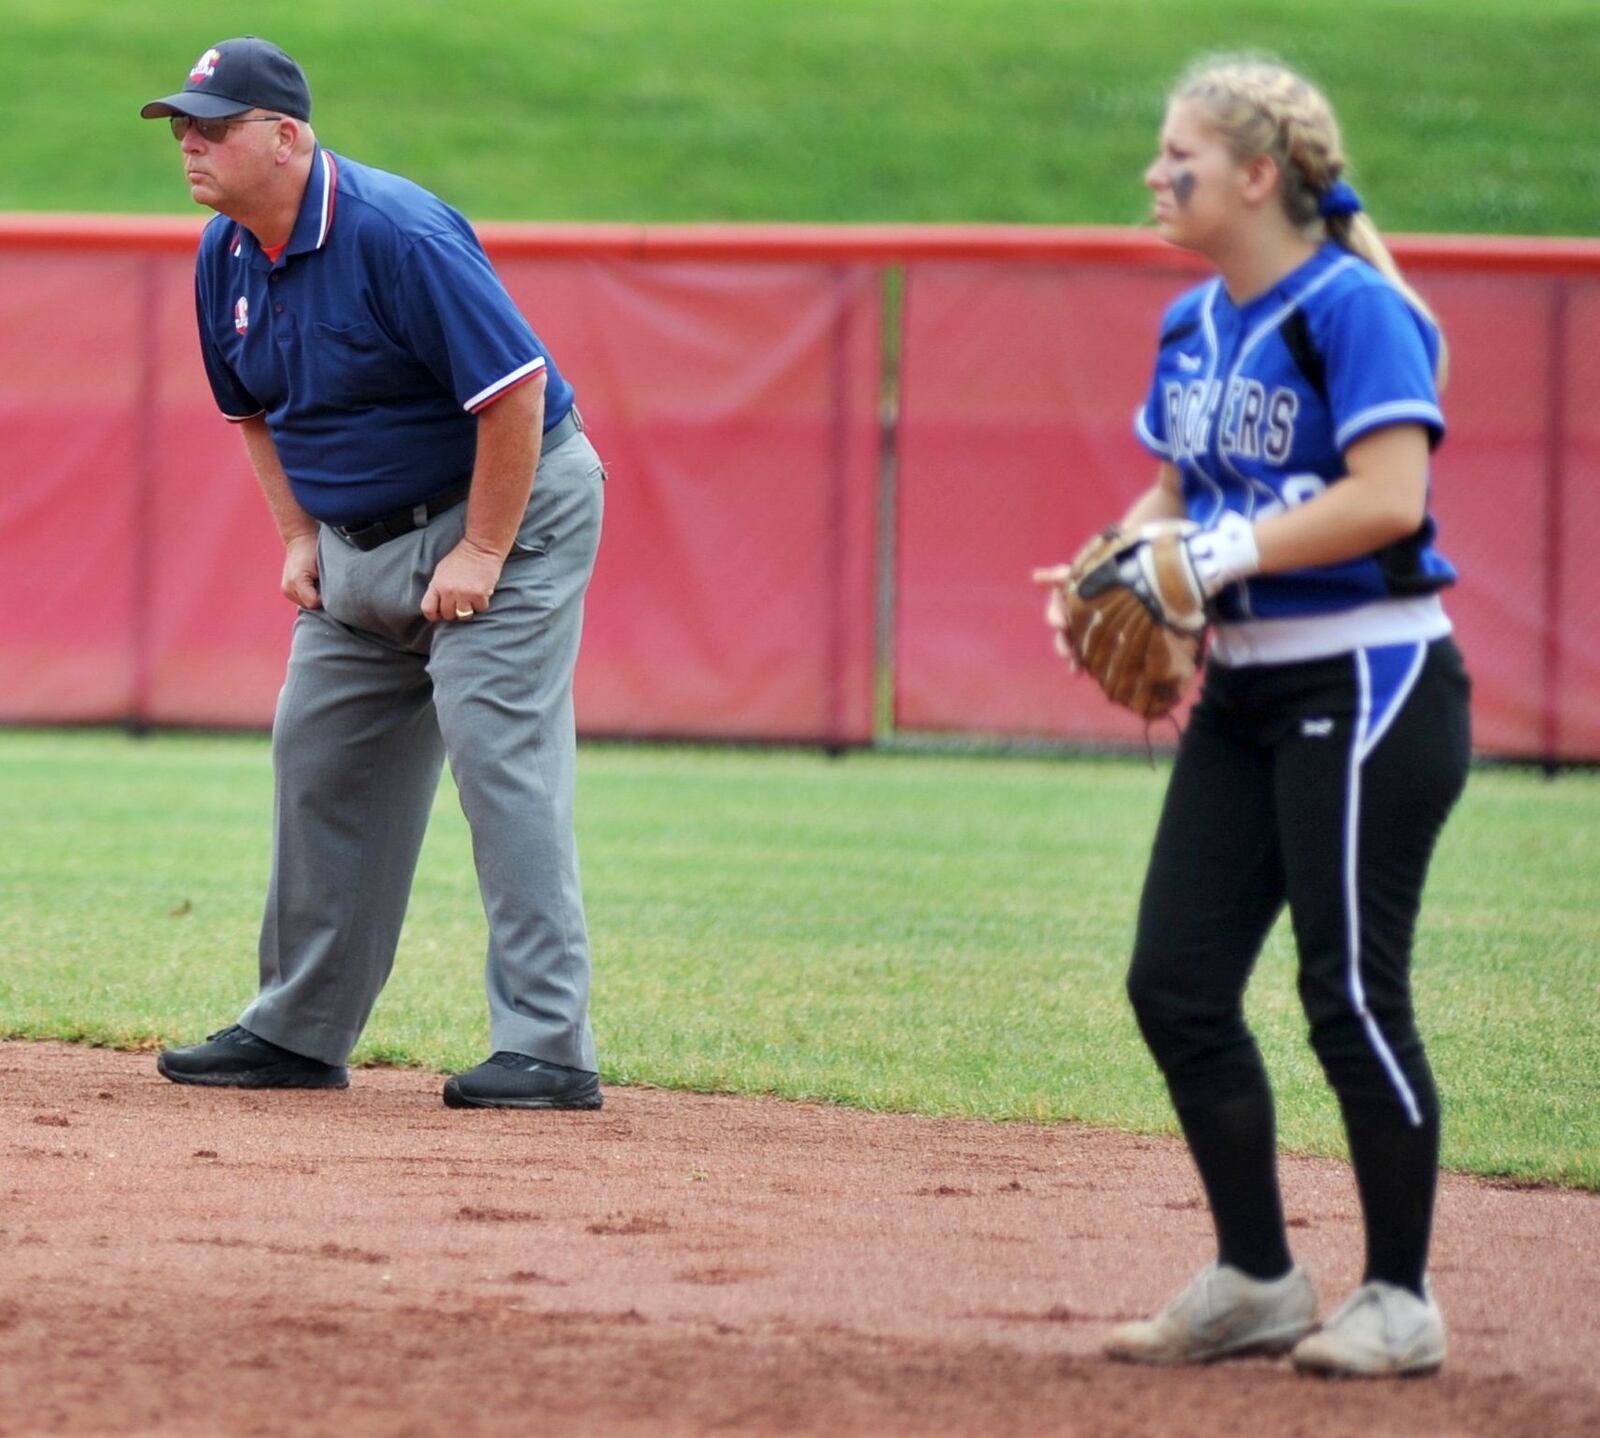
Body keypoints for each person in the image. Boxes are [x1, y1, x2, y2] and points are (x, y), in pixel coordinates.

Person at [1038, 57, 1471, 1377]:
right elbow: (1176, 491)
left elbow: (1390, 498)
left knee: (1347, 989)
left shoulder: (1353, 309)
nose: (1156, 176)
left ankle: (1399, 1296)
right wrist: (1116, 560)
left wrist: (1211, 561)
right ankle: (1257, 1275)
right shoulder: (1193, 322)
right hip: (1250, 685)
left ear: (1257, 175)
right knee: (1173, 979)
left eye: (1180, 156)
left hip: (1372, 679)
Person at [142, 37, 608, 1111]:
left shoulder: (396, 232)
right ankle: (297, 1031)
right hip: (355, 543)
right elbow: (250, 412)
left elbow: (515, 396)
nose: (191, 145)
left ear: (286, 137)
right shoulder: (225, 253)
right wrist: (299, 538)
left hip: (510, 512)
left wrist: (483, 551)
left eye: (213, 127)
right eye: (182, 128)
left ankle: (549, 1046)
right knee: (318, 753)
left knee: (501, 756)